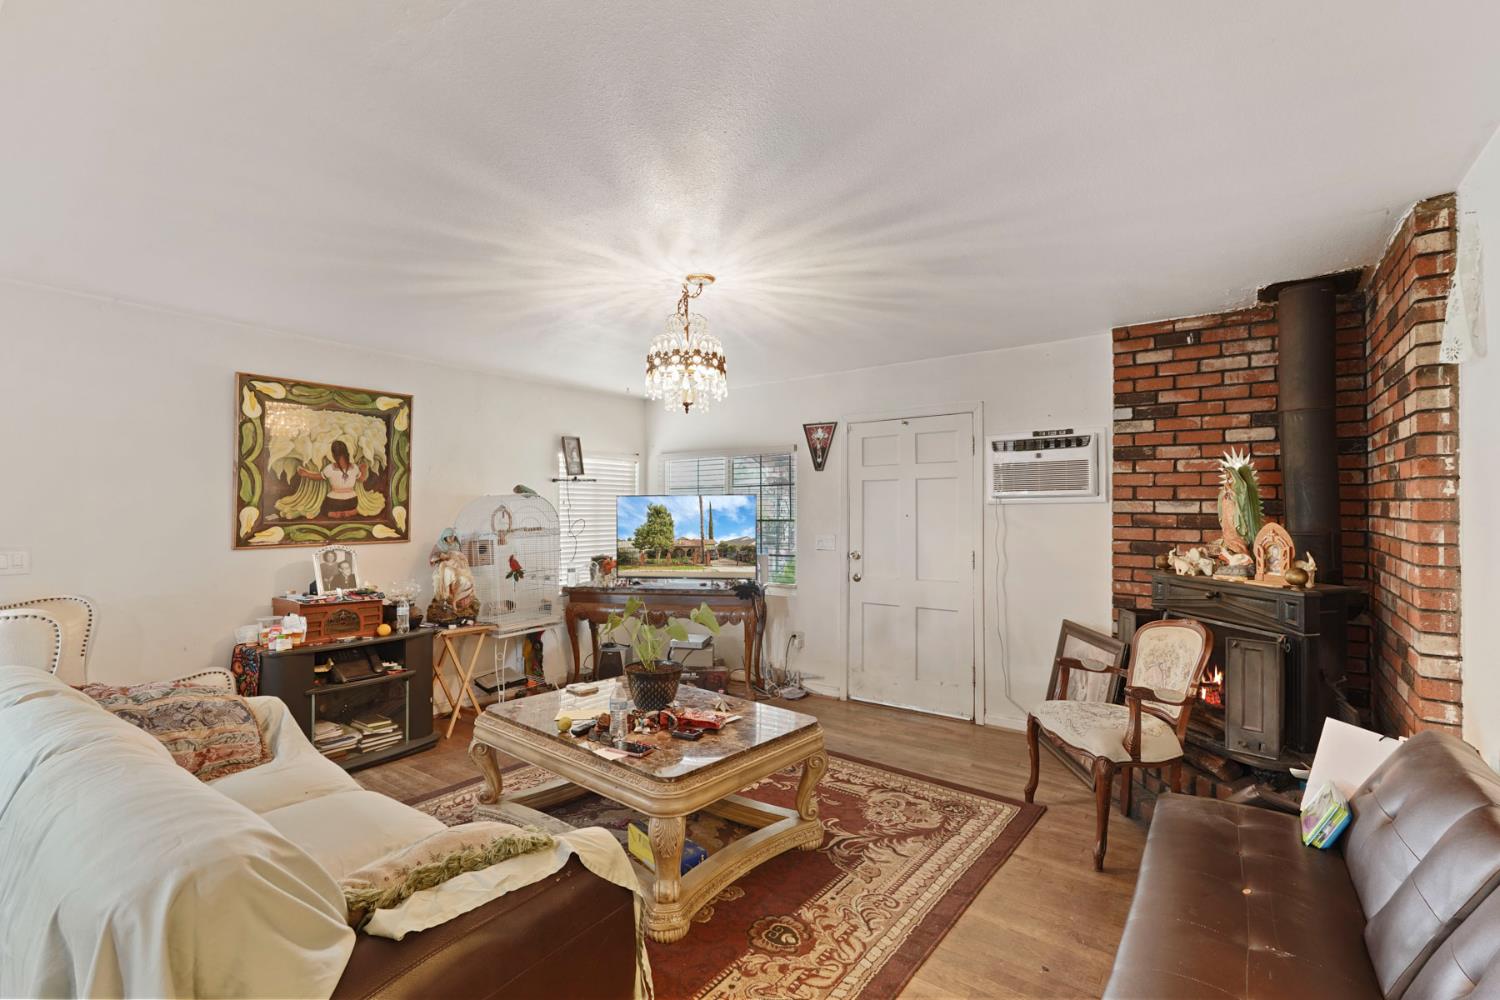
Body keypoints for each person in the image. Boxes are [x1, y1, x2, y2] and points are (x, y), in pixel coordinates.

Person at [297, 440, 367, 519]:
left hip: (334, 502)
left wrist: (306, 473)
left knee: (324, 510)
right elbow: (362, 479)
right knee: (352, 506)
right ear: (347, 453)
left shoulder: (330, 468)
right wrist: (363, 469)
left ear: (333, 455)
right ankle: (350, 512)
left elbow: (318, 477)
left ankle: (337, 514)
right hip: (352, 501)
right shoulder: (355, 468)